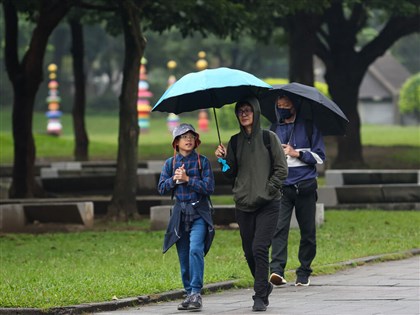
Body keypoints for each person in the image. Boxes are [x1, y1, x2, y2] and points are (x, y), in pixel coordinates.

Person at [215, 96, 288, 312]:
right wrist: (222, 160)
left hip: (268, 204)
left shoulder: (269, 138)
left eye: (248, 110)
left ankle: (259, 297)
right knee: (249, 251)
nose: (244, 114)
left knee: (259, 248)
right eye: (240, 111)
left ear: (255, 113)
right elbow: (230, 174)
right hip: (244, 205)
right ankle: (264, 285)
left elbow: (282, 170)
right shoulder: (235, 141)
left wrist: (267, 190)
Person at [269, 94, 326, 287]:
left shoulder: (309, 127)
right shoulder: (274, 128)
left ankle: (304, 272)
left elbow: (320, 157)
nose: (281, 106)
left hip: (305, 187)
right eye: (279, 103)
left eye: (285, 103)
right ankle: (276, 271)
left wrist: (297, 153)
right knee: (278, 229)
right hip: (283, 188)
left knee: (308, 232)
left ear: (295, 105)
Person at [158, 123, 215, 311]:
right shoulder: (170, 163)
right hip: (179, 215)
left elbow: (209, 187)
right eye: (184, 137)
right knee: (183, 255)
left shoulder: (202, 161)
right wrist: (175, 179)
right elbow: (161, 188)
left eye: (191, 136)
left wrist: (188, 180)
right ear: (176, 142)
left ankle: (196, 293)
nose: (188, 140)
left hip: (199, 212)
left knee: (195, 249)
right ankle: (188, 292)